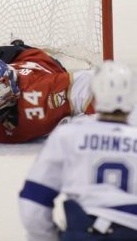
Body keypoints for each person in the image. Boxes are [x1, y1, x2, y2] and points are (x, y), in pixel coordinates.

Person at [19, 61, 137, 241]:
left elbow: (34, 200)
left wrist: (47, 237)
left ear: (95, 93)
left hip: (81, 232)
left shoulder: (69, 135)